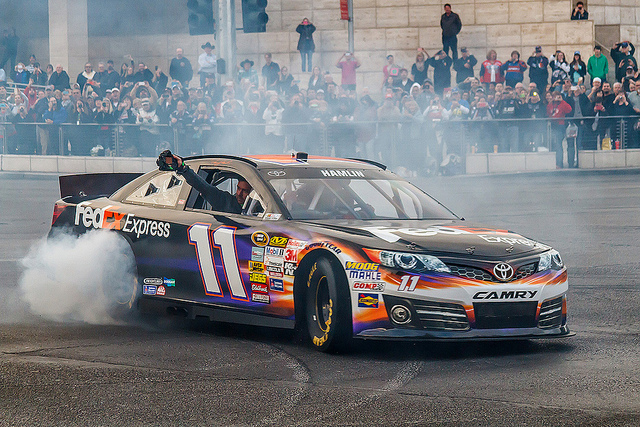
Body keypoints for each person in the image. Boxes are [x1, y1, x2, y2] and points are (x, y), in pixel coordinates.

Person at [158, 151, 252, 214]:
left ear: (253, 193)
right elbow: (204, 188)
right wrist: (183, 169)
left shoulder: (261, 209)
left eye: (245, 191)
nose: (239, 193)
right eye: (238, 188)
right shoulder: (227, 202)